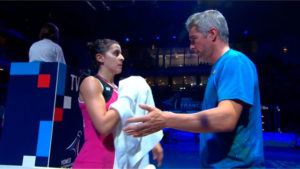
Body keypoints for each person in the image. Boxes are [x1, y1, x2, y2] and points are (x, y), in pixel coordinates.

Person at [124, 10, 265, 168]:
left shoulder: (234, 62)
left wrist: (167, 120)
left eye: (194, 40)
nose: (191, 47)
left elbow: (227, 117)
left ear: (212, 34)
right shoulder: (219, 68)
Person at [72, 39, 163, 168]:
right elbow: (103, 126)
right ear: (100, 58)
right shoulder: (91, 83)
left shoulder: (120, 90)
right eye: (116, 53)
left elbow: (130, 121)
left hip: (117, 163)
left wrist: (152, 141)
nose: (122, 58)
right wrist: (128, 98)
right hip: (93, 162)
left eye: (121, 54)